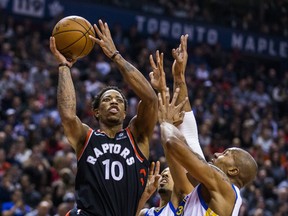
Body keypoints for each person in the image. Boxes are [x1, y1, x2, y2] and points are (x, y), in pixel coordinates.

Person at [49, 19, 158, 216]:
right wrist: (64, 67)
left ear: (125, 112)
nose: (114, 102)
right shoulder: (86, 138)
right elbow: (67, 115)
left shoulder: (138, 136)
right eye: (108, 99)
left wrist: (115, 56)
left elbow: (151, 100)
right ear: (97, 111)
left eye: (119, 100)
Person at [158, 87, 258, 215]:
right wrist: (179, 79)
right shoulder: (213, 190)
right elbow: (189, 141)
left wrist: (166, 122)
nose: (217, 154)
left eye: (225, 154)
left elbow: (172, 143)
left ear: (233, 171)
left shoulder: (224, 186)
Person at [137, 34, 204, 216]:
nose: (165, 174)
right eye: (164, 172)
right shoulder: (145, 213)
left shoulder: (189, 201)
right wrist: (176, 77)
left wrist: (178, 78)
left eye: (170, 171)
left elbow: (189, 133)